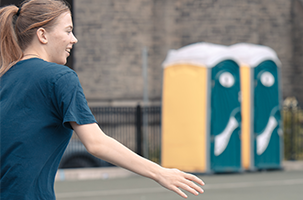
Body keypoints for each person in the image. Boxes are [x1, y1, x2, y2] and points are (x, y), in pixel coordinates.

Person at [0, 0, 204, 199]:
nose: (74, 39)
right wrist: (160, 172)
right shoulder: (60, 78)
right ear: (42, 35)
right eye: (68, 30)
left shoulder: (4, 77)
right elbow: (96, 143)